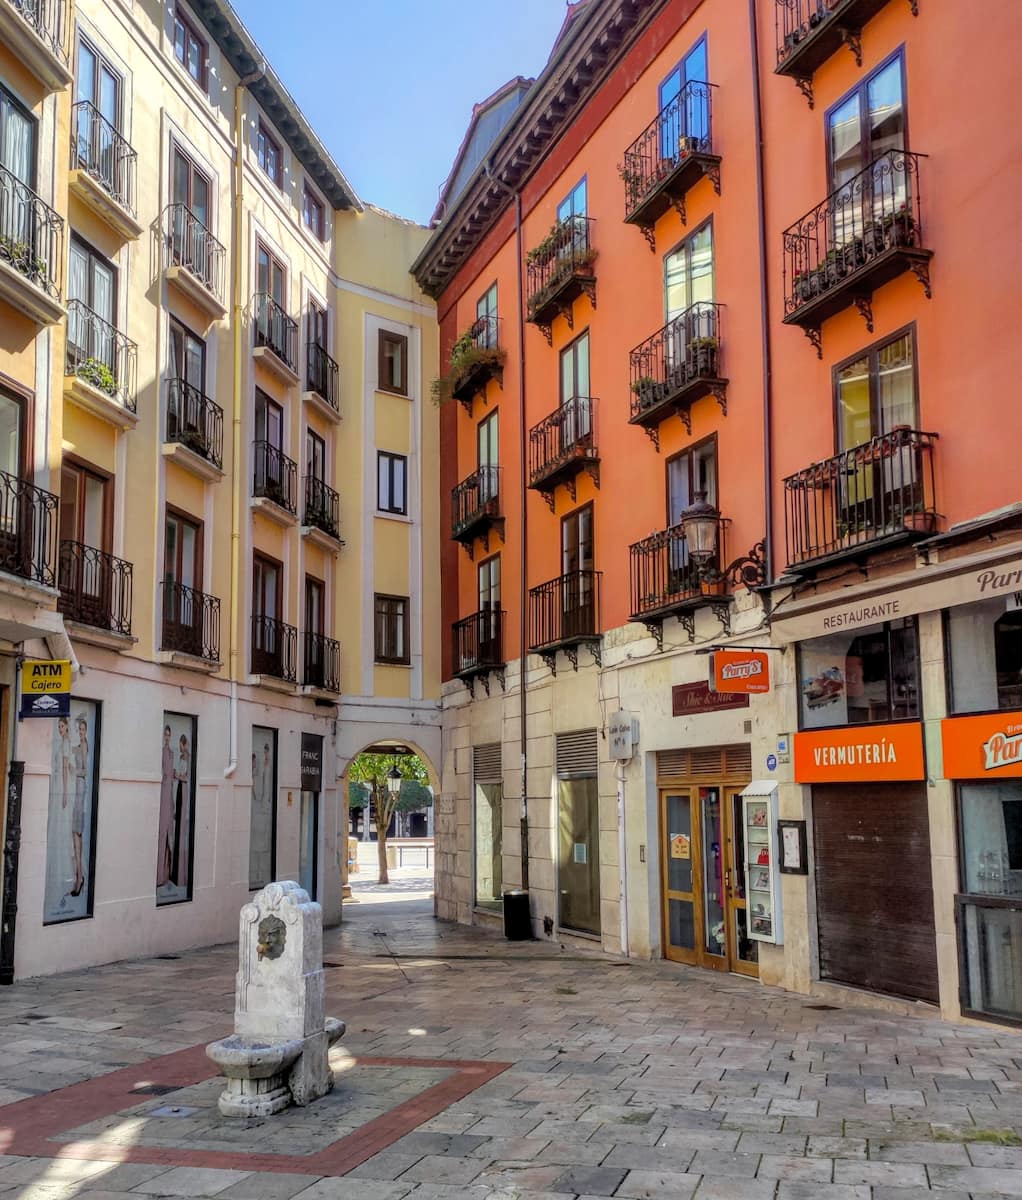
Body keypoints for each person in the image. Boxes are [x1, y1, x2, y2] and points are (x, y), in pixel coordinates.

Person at [70, 713, 89, 897]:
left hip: (80, 789)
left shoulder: (83, 746)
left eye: (83, 729)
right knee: (75, 834)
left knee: (77, 833)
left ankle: (80, 877)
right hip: (75, 789)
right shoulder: (77, 747)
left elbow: (84, 771)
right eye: (80, 729)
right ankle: (78, 876)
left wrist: (74, 772)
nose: (81, 732)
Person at [156, 724, 175, 888]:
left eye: (169, 735)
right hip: (163, 795)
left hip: (169, 796)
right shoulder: (161, 752)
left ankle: (166, 873)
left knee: (169, 835)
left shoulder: (172, 754)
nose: (167, 737)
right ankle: (158, 876)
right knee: (162, 834)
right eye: (166, 735)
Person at [171, 733, 190, 885]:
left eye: (180, 744)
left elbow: (186, 777)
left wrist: (177, 776)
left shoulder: (187, 758)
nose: (180, 747)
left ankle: (180, 875)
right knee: (178, 827)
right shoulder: (181, 757)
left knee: (181, 828)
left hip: (183, 789)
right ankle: (176, 873)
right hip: (179, 789)